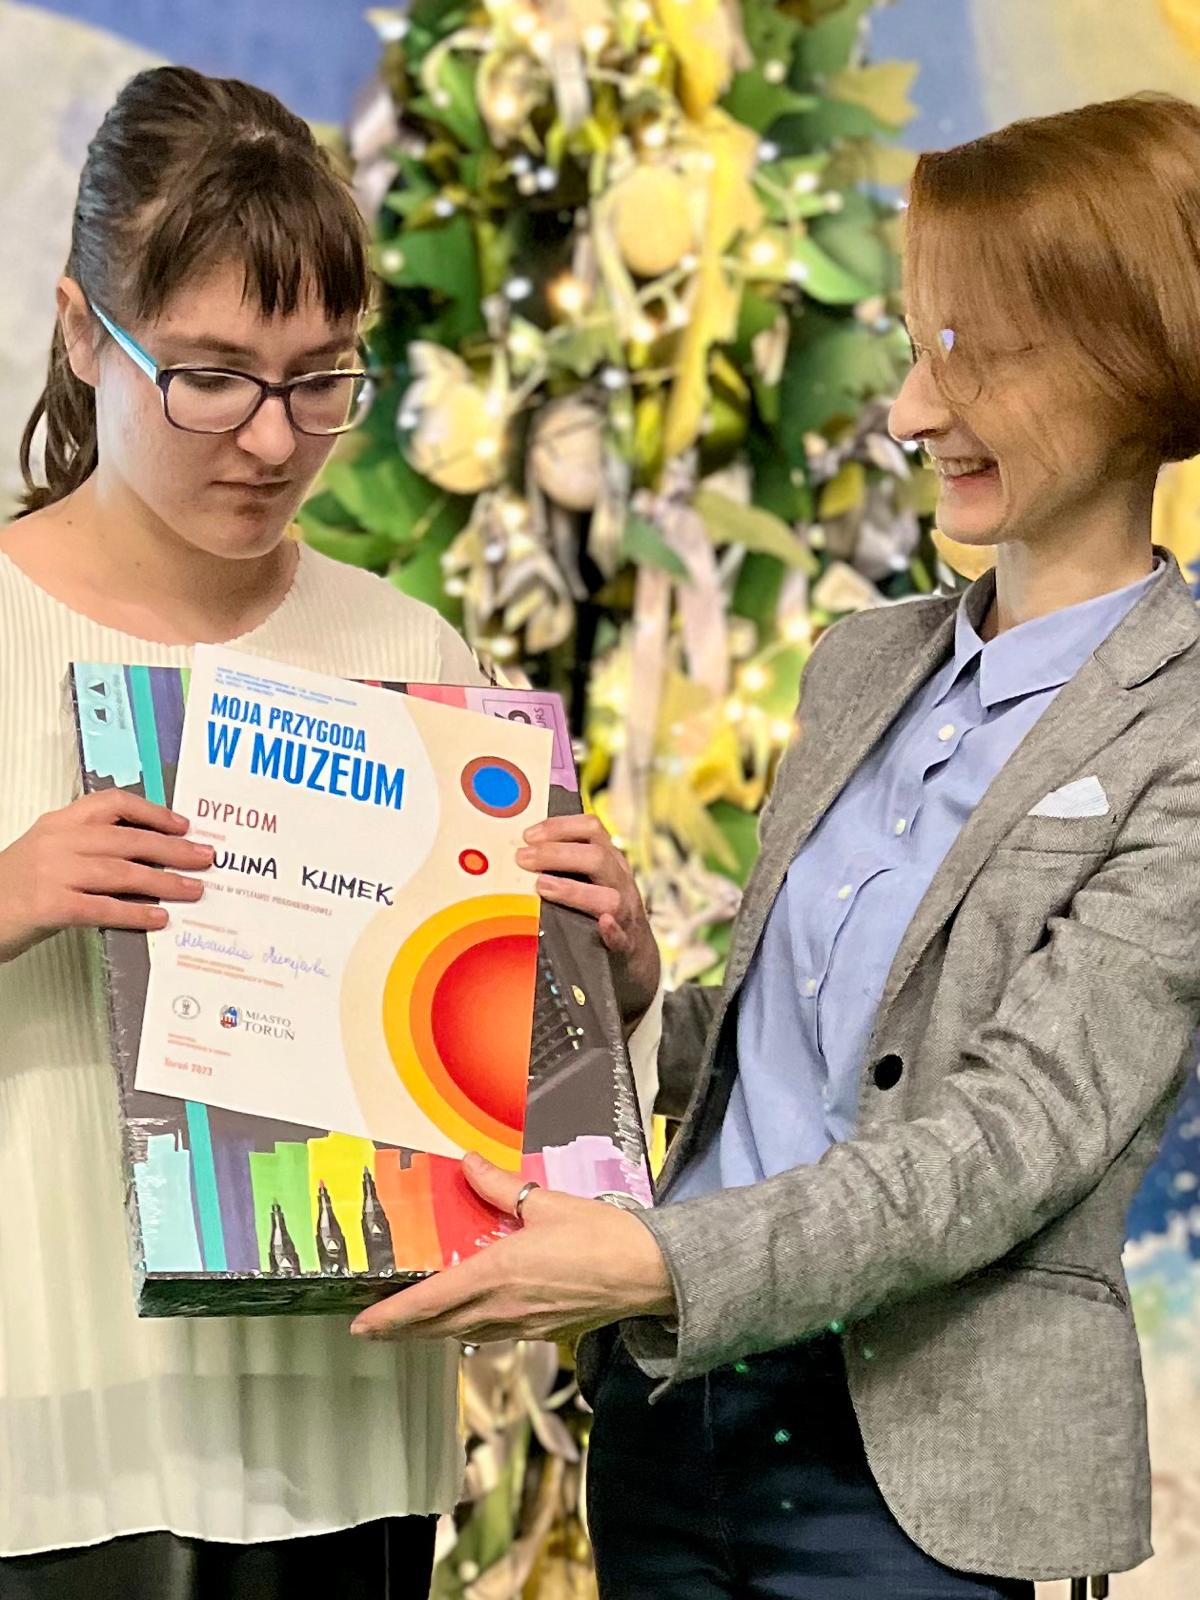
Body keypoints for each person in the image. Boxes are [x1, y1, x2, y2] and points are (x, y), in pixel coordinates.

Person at [354, 93, 1200, 1598]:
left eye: (969, 356)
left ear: (1128, 357)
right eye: (916, 348)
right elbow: (794, 1057)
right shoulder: (862, 664)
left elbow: (1012, 1136)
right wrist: (628, 1000)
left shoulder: (1183, 726)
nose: (911, 412)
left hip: (918, 1487)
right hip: (674, 1423)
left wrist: (654, 1265)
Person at [0, 65, 493, 1598]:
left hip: (342, 1454)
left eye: (321, 379)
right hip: (46, 1445)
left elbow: (504, 1095)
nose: (274, 441)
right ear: (85, 332)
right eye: (211, 378)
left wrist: (592, 969)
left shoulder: (409, 651)